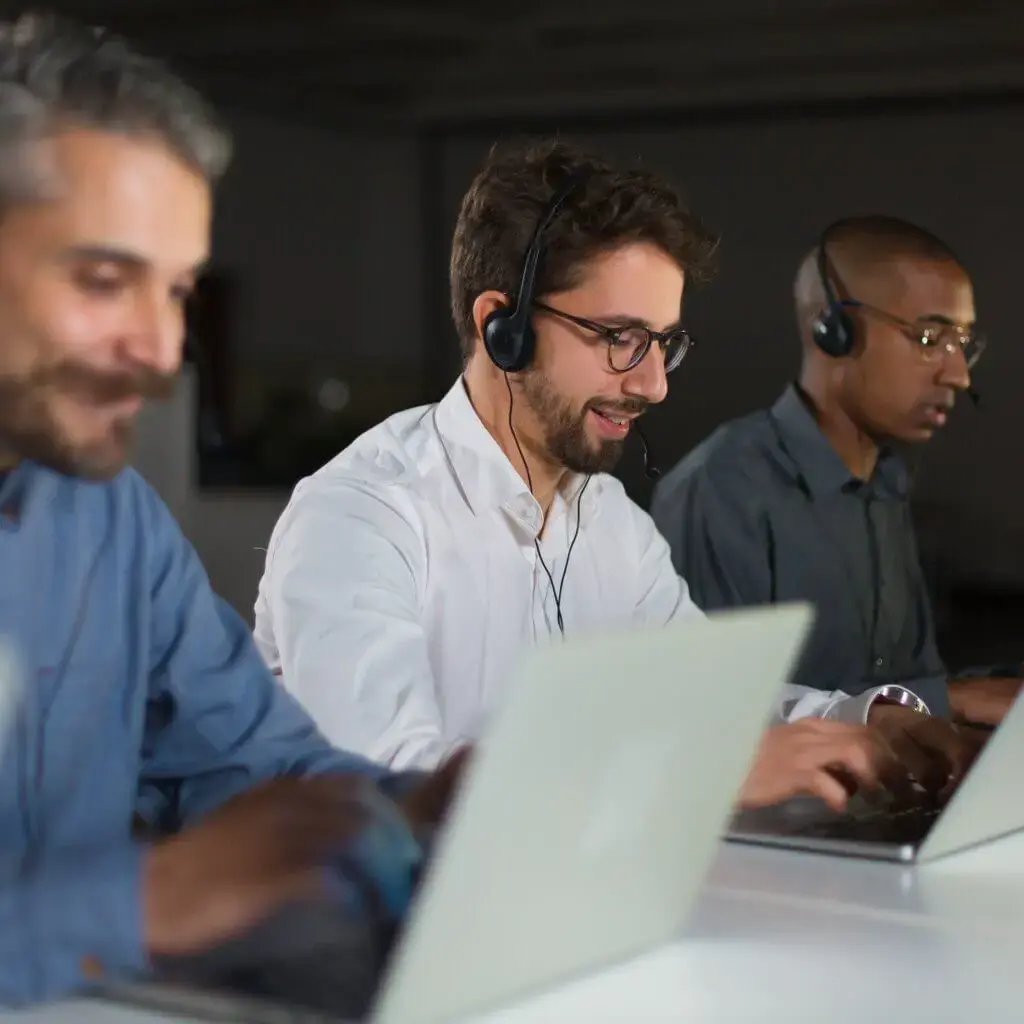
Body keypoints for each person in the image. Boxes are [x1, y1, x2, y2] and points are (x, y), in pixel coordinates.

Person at [254, 141, 954, 808]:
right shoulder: (361, 517)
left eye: (664, 344)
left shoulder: (613, 523)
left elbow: (707, 691)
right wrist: (701, 774)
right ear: (504, 326)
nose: (654, 386)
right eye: (621, 339)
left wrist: (869, 722)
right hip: (398, 928)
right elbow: (395, 796)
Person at [0, 13, 459, 1008]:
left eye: (177, 294)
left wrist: (420, 805)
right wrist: (143, 902)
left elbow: (258, 760)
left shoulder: (110, 521)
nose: (164, 354)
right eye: (104, 281)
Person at [652, 216, 1020, 744]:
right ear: (833, 330)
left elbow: (905, 681)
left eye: (962, 343)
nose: (958, 374)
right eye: (929, 337)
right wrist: (951, 700)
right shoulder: (721, 489)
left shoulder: (887, 483)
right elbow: (713, 715)